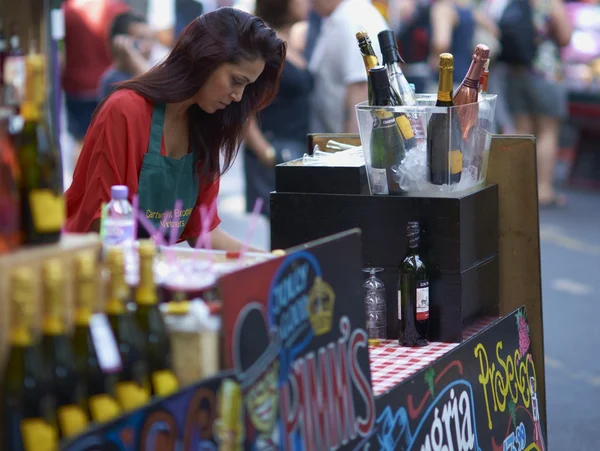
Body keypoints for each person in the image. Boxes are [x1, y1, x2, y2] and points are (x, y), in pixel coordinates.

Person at [65, 8, 286, 251]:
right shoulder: (125, 111)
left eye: (247, 87)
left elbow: (204, 233)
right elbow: (103, 227)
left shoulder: (205, 124)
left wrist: (270, 261)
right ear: (206, 59)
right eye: (236, 81)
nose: (238, 96)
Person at [245, 0, 313, 218]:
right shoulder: (264, 45)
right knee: (283, 228)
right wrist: (264, 151)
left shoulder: (291, 41)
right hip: (276, 148)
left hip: (296, 149)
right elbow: (244, 100)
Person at [503, 0, 572, 207]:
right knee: (547, 131)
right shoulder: (550, 3)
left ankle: (516, 186)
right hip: (545, 73)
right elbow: (565, 37)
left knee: (522, 130)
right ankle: (543, 189)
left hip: (516, 72)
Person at [63, 0, 131, 164]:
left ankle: (80, 186)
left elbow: (61, 51)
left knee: (81, 143)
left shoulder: (68, 10)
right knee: (110, 143)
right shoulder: (117, 9)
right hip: (109, 87)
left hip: (76, 86)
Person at [309, 0, 388, 134]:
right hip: (332, 141)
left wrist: (351, 146)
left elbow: (360, 89)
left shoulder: (353, 18)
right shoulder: (340, 17)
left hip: (346, 146)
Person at [98, 11, 155, 100]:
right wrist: (130, 52)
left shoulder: (149, 67)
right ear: (122, 43)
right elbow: (153, 87)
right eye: (141, 38)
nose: (150, 45)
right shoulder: (114, 80)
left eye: (151, 38)